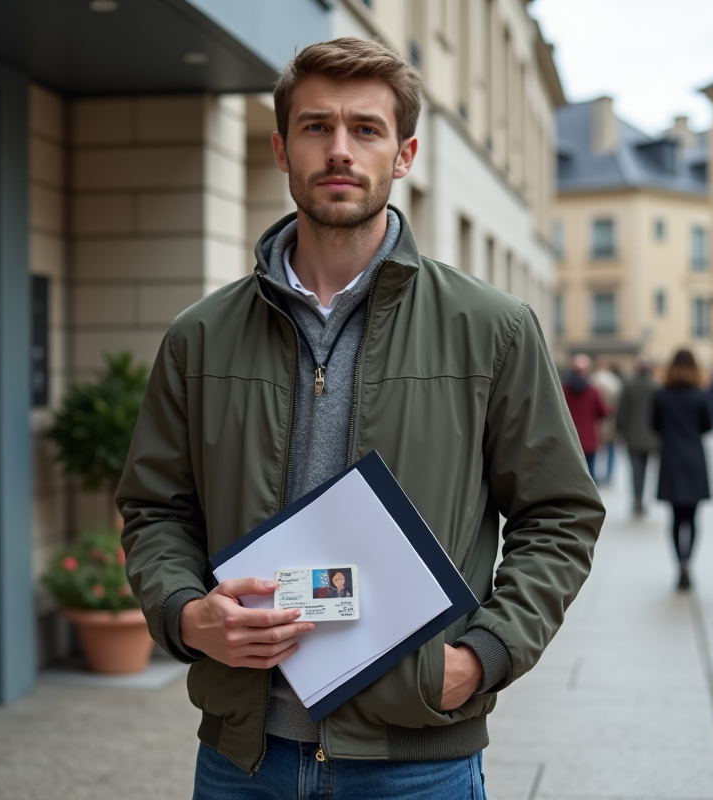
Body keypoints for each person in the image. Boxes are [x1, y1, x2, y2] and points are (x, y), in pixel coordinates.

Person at [116, 38, 604, 799]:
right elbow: (153, 511)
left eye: (366, 129)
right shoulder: (199, 337)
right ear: (281, 148)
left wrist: (484, 654)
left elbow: (559, 513)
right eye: (316, 127)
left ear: (405, 153)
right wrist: (185, 614)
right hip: (245, 759)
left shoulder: (493, 327)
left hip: (418, 760)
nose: (339, 150)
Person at [651, 350, 712, 590]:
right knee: (693, 517)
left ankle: (680, 563)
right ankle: (689, 562)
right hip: (694, 458)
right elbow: (708, 426)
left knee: (675, 518)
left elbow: (654, 424)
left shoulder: (662, 395)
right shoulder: (700, 395)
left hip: (671, 458)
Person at [616, 357, 659, 518]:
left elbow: (622, 410)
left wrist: (619, 429)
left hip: (632, 434)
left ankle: (636, 501)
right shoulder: (655, 386)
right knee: (646, 469)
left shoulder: (629, 385)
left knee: (635, 469)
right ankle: (641, 501)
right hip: (651, 435)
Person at [563, 353, 610, 478]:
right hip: (588, 439)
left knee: (569, 476)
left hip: (568, 439)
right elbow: (604, 412)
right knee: (590, 475)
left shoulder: (562, 389)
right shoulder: (593, 390)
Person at [590, 356, 623, 485]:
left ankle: (595, 475)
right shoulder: (615, 381)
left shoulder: (592, 380)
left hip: (595, 421)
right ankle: (608, 476)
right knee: (610, 449)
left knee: (595, 450)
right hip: (611, 420)